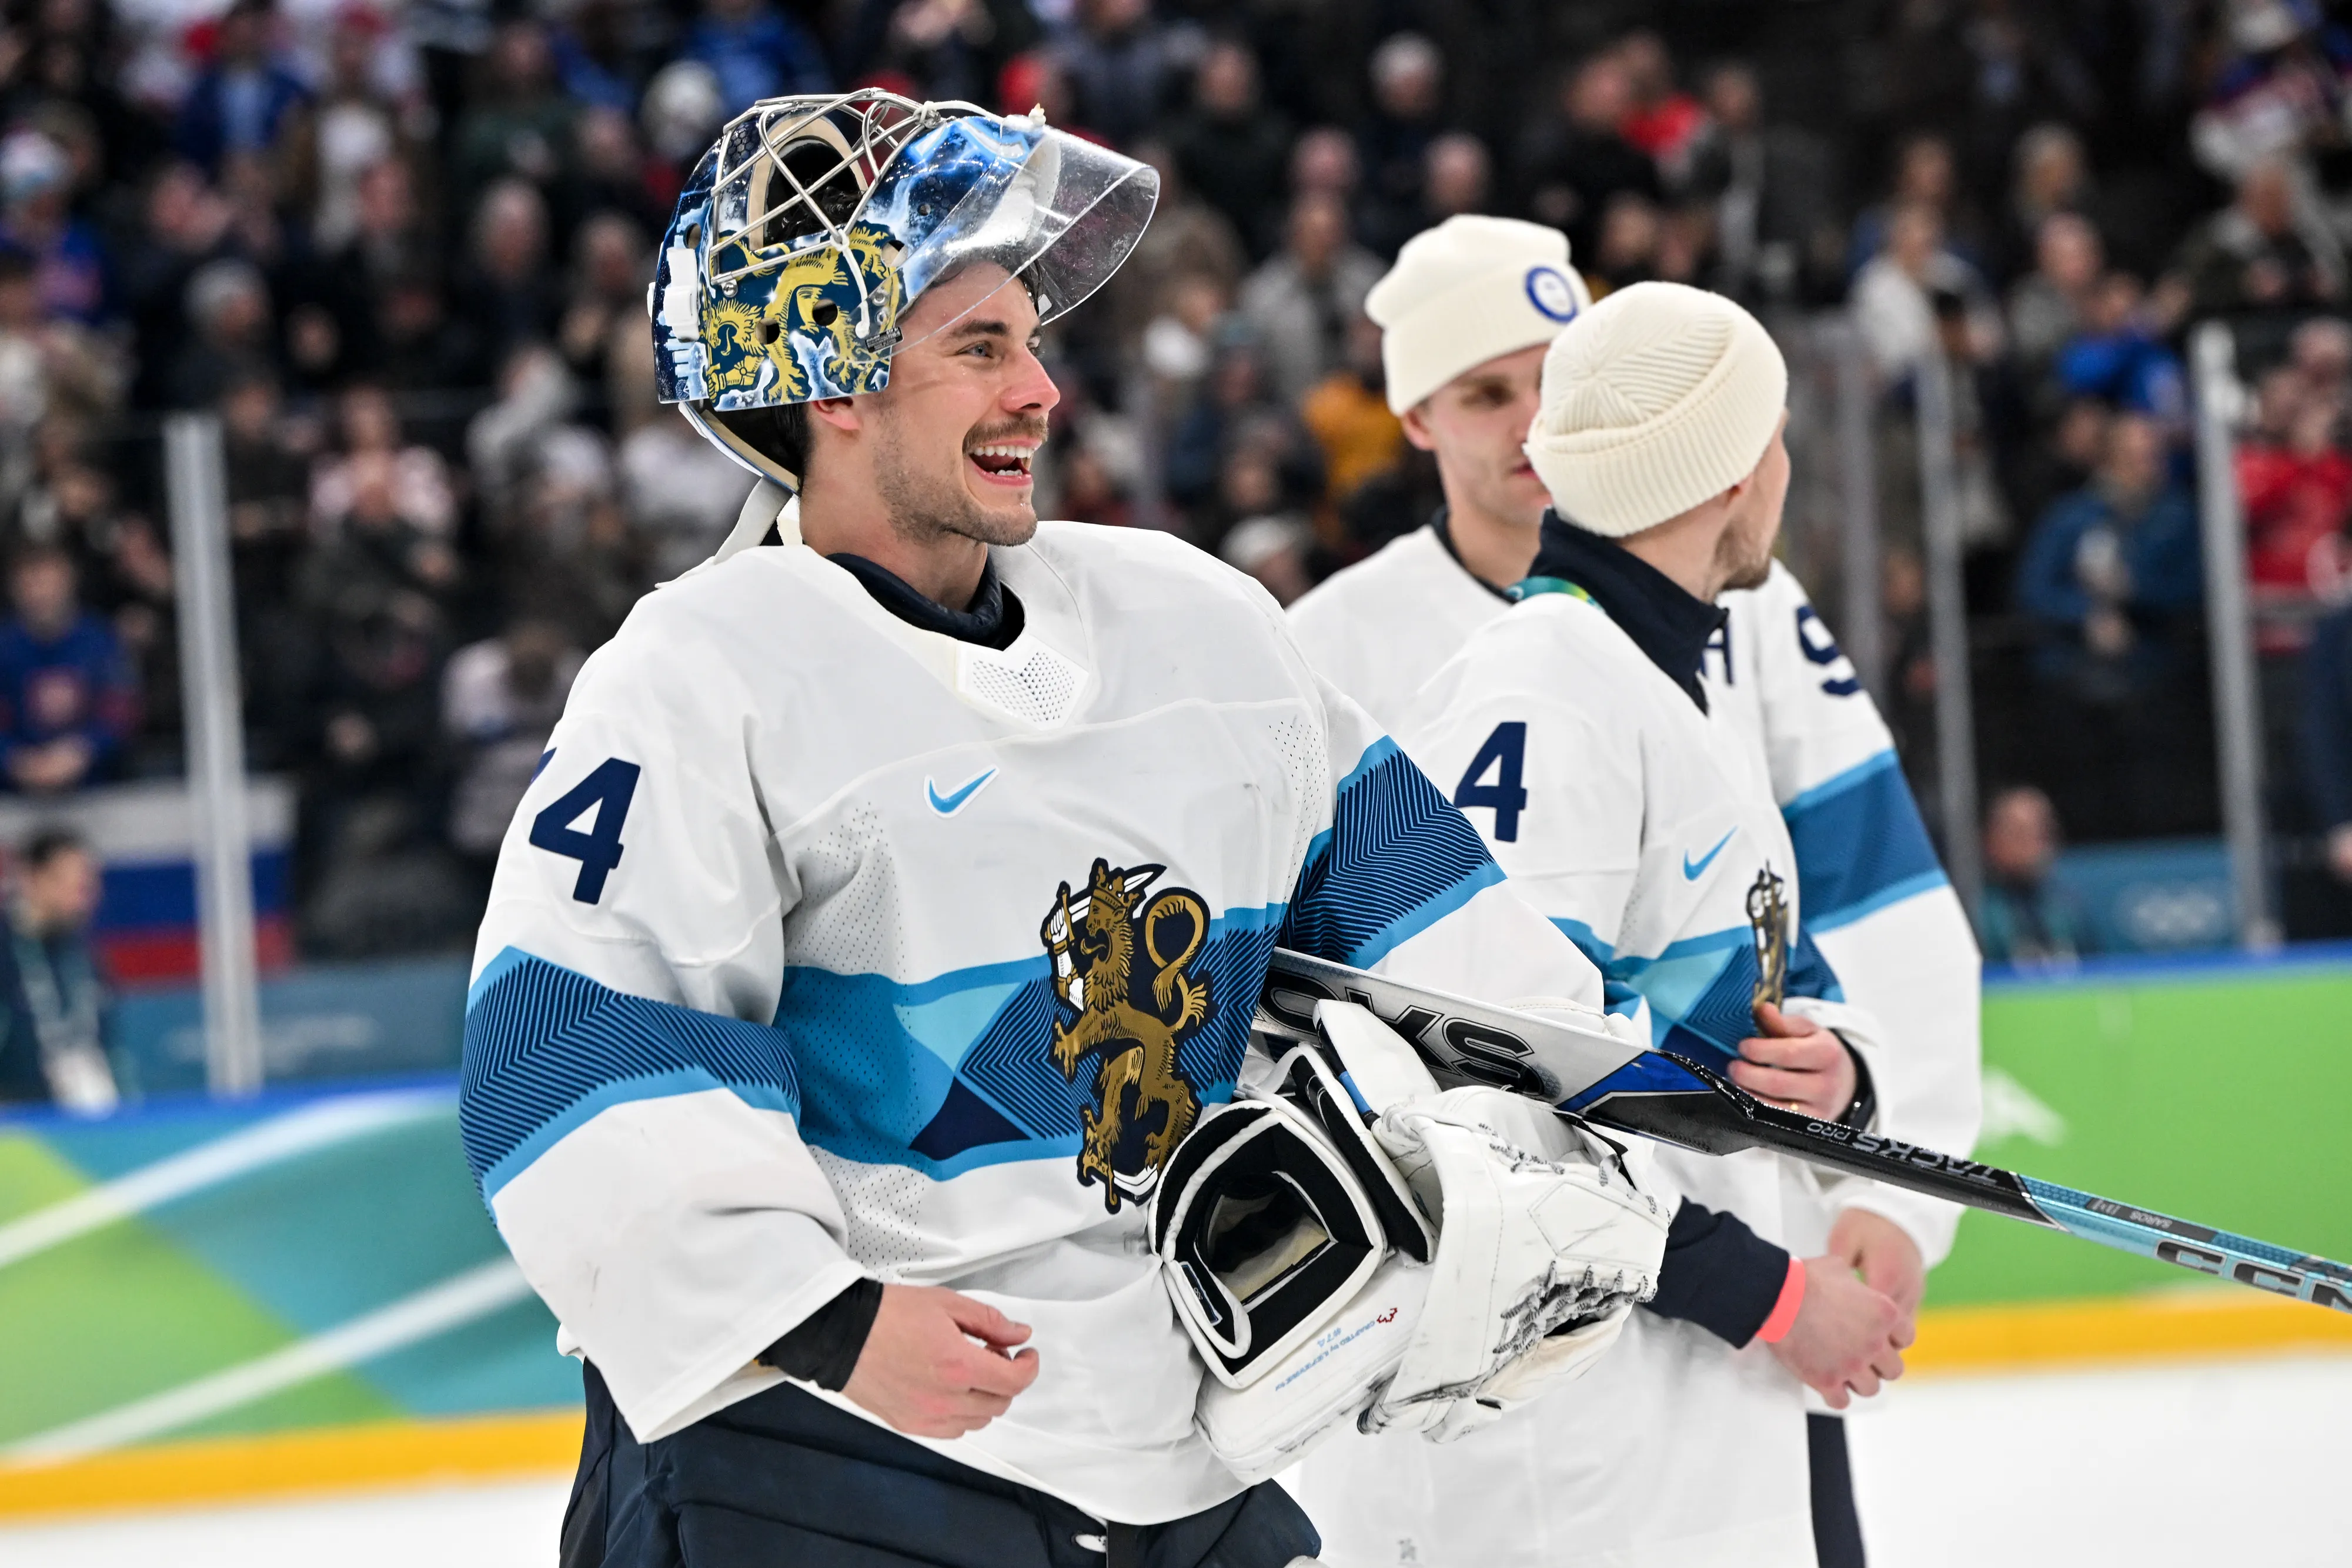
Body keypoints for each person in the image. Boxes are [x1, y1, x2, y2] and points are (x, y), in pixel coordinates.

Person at [461, 92, 1651, 1568]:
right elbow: (566, 1044)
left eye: (1032, 342)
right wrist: (827, 1328)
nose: (1039, 390)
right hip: (827, 1452)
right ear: (834, 381)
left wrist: (1613, 1102)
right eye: (979, 349)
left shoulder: (1197, 622)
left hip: (1177, 1444)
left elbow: (1439, 929)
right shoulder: (697, 677)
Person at [1298, 279, 1947, 1567]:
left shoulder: (1659, 673)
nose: (1780, 464)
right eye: (1766, 435)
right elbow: (1491, 1093)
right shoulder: (1543, 697)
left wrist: (1837, 1066)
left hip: (1683, 1410)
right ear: (1722, 474)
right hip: (1577, 1449)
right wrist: (1764, 1295)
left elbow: (1760, 964)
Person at [0, 547, 136, 795]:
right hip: (14, 795)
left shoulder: (101, 640)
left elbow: (120, 713)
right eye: (30, 584)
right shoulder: (5, 645)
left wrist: (83, 751)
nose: (41, 594)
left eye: (49, 583)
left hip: (99, 791)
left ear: (69, 582)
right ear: (15, 589)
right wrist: (14, 759)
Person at [0, 825, 113, 1111]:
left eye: (87, 883)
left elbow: (108, 1039)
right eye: (68, 881)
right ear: (30, 877)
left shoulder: (82, 953)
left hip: (84, 1114)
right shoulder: (7, 950)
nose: (82, 895)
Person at [1977, 785, 2093, 968]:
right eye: (2020, 832)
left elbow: (2096, 972)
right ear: (1991, 839)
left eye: (2043, 831)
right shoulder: (1978, 911)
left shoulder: (2069, 906)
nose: (2035, 843)